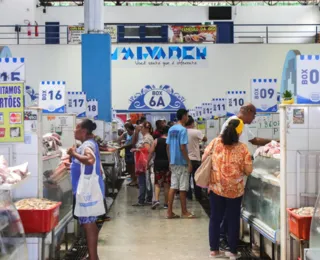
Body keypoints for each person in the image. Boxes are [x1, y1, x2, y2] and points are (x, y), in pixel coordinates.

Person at [219, 103, 272, 249]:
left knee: (231, 208)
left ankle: (230, 237)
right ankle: (224, 238)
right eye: (254, 115)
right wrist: (275, 142)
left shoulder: (233, 122)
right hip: (234, 175)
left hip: (230, 173)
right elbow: (254, 141)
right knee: (231, 208)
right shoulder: (237, 123)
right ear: (248, 111)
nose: (254, 118)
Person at [203, 119, 253, 259]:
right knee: (232, 219)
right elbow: (248, 169)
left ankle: (214, 250)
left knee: (215, 218)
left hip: (216, 187)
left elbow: (204, 158)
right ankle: (232, 251)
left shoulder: (215, 143)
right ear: (240, 132)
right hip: (234, 190)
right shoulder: (242, 148)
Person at [68, 119, 105, 260]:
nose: (74, 130)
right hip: (90, 190)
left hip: (86, 191)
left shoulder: (86, 145)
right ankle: (93, 255)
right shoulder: (88, 143)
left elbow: (89, 160)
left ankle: (93, 257)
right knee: (90, 224)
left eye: (76, 128)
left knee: (88, 225)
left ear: (83, 131)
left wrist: (73, 153)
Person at [166, 109, 194, 219]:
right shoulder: (183, 130)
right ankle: (184, 211)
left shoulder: (171, 129)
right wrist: (189, 162)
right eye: (187, 116)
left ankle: (169, 212)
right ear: (183, 116)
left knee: (173, 186)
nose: (187, 118)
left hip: (173, 162)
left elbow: (167, 147)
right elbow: (183, 147)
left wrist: (170, 161)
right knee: (183, 188)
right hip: (182, 162)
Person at [131, 121, 154, 206]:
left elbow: (148, 150)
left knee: (142, 182)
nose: (141, 130)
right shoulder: (149, 137)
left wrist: (138, 150)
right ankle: (148, 198)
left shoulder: (146, 138)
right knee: (147, 181)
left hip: (144, 162)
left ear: (145, 128)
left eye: (142, 128)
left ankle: (141, 200)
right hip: (147, 162)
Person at [148, 126, 171, 210]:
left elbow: (150, 152)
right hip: (167, 164)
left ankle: (157, 200)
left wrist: (147, 163)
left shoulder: (156, 141)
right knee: (166, 184)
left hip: (158, 163)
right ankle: (166, 203)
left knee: (157, 183)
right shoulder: (170, 141)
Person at [185, 116, 207, 201]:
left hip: (186, 158)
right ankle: (198, 196)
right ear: (192, 123)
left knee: (187, 178)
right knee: (196, 178)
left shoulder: (182, 132)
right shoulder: (196, 132)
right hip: (195, 159)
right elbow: (205, 138)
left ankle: (189, 196)